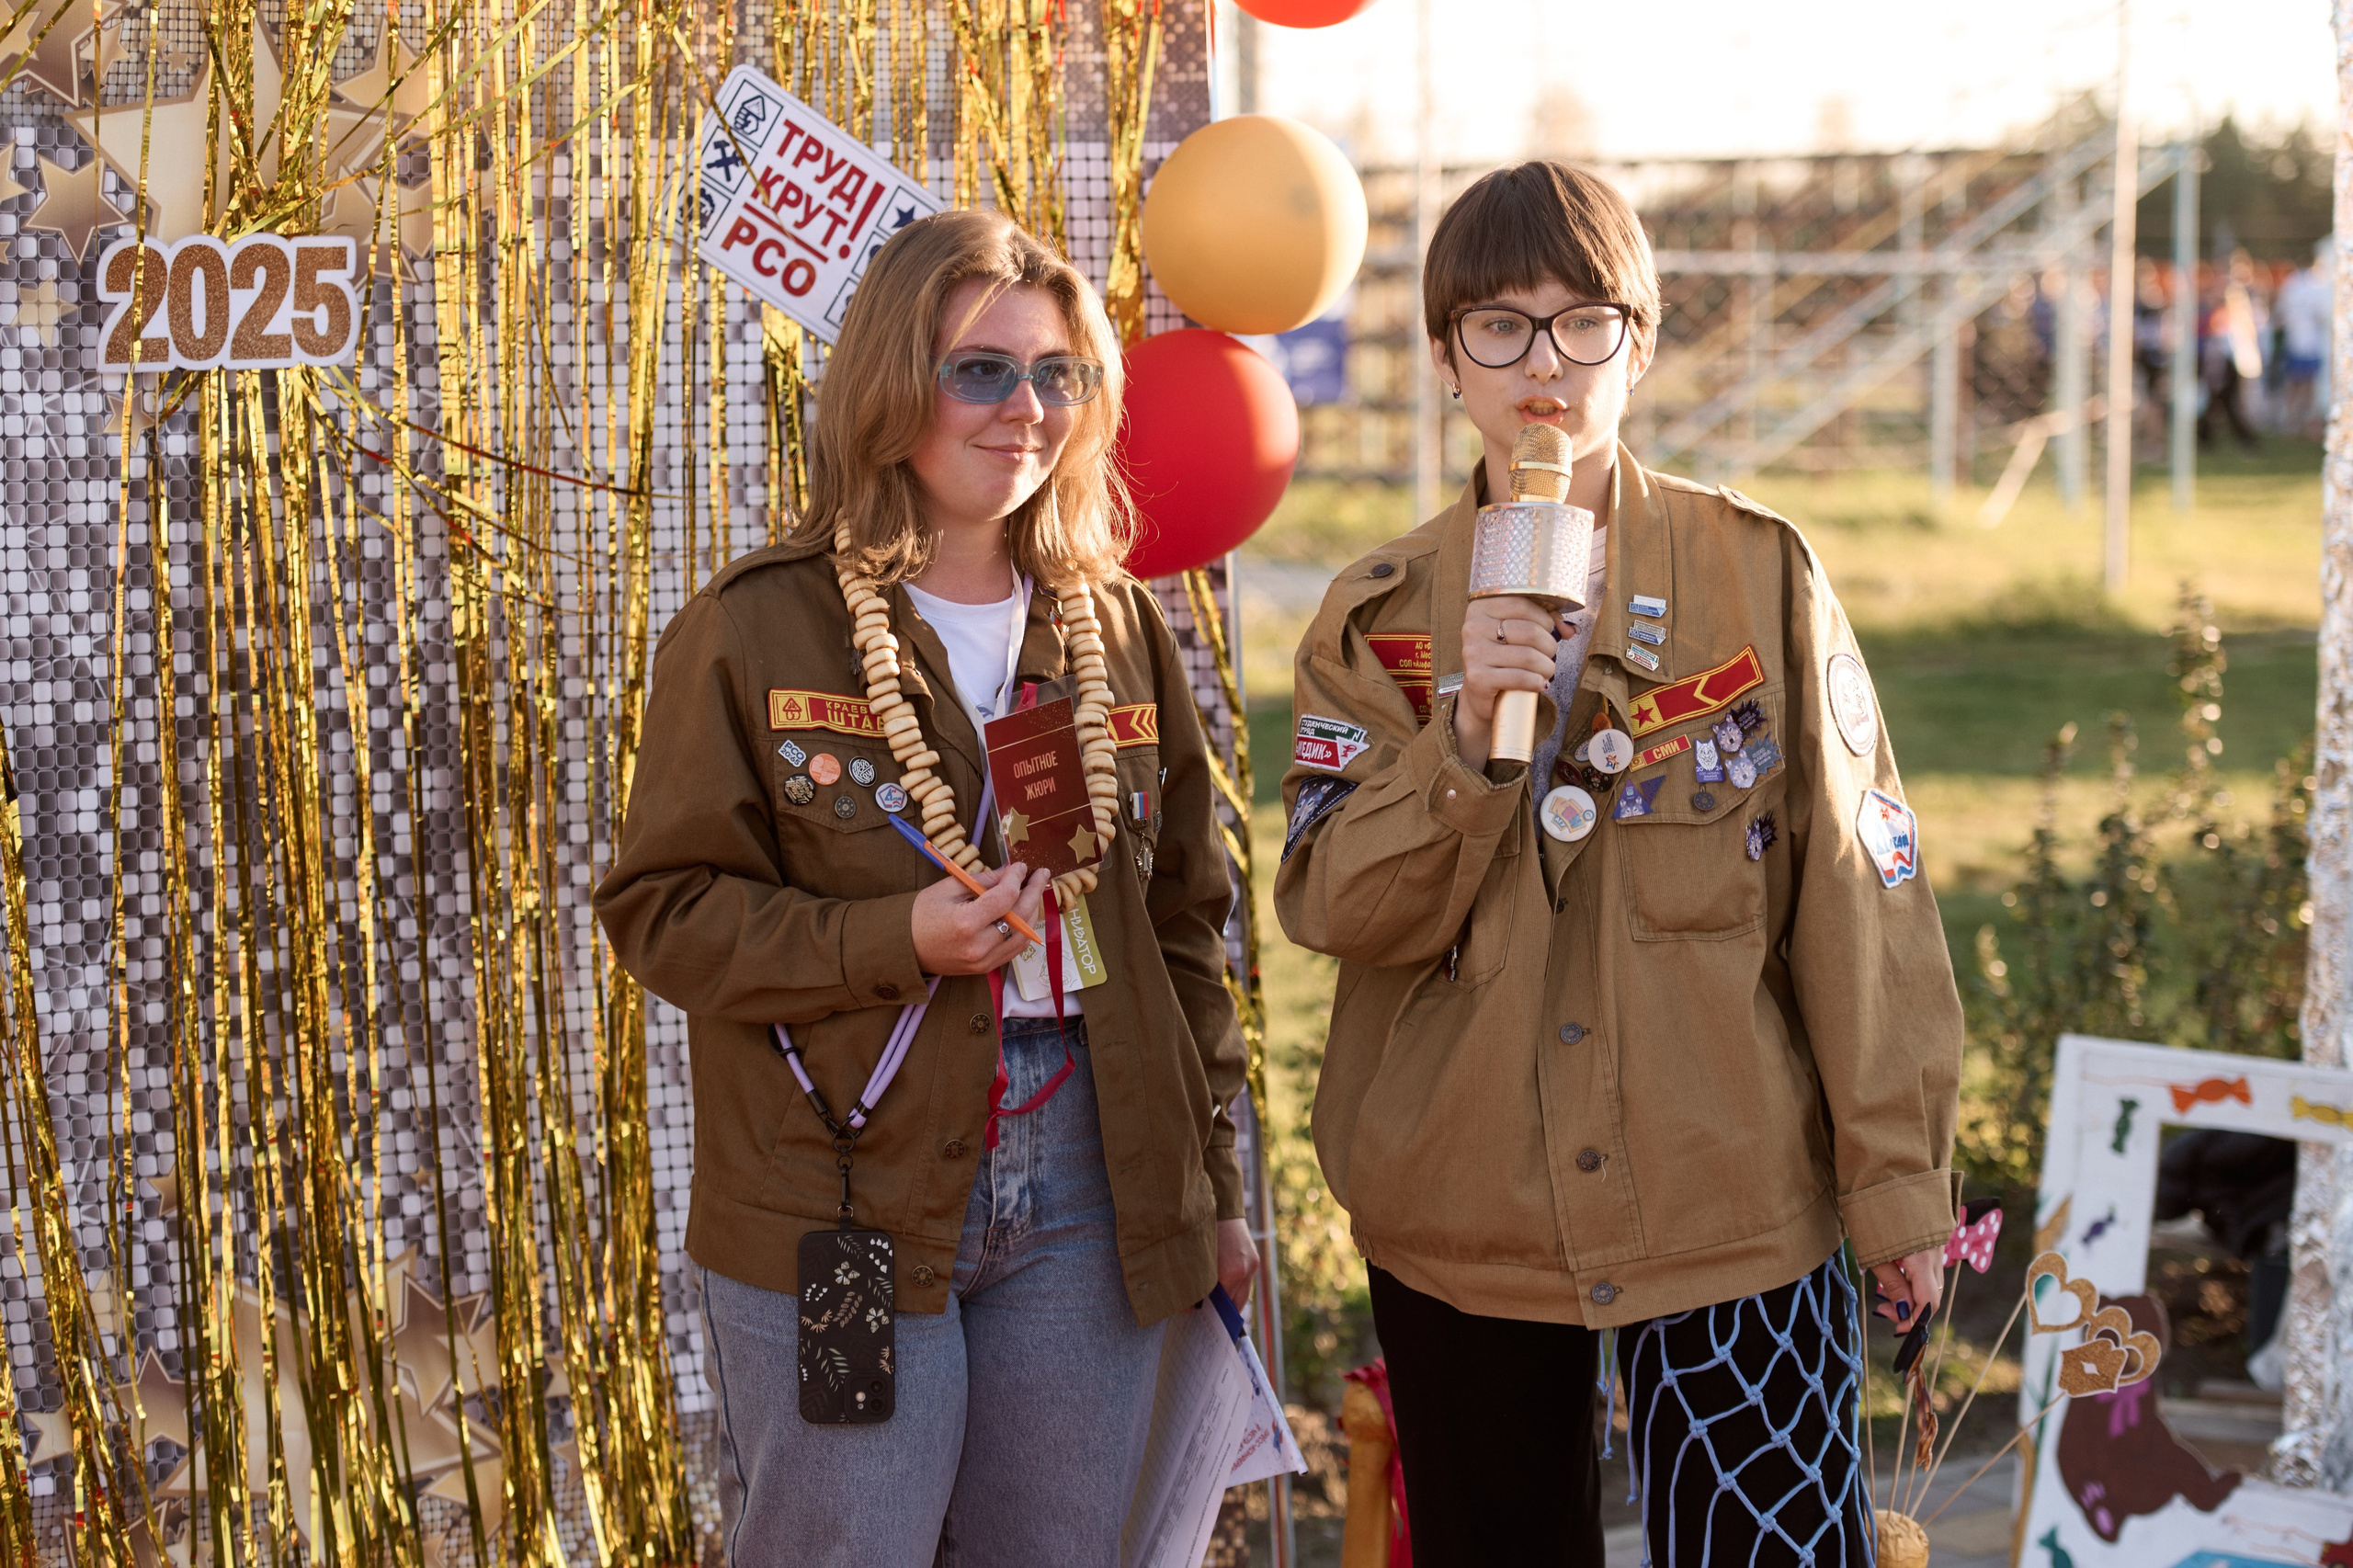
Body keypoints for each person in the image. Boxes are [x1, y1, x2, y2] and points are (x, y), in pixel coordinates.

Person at [1277, 161, 1964, 1566]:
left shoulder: (1757, 571)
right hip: (1462, 1221)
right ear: (1446, 361)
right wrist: (1467, 739)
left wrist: (1896, 1182)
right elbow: (1335, 901)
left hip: (1731, 1209)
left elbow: (1858, 888)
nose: (1545, 363)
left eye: (1584, 321)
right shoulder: (1380, 616)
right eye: (1500, 326)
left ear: (1638, 347)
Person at [595, 208, 1256, 1567]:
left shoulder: (1119, 628)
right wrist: (894, 936)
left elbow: (1187, 927)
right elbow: (663, 909)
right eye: (984, 370)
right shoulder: (756, 624)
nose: (1028, 410)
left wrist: (1219, 1187)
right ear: (896, 383)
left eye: (1059, 375)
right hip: (841, 1192)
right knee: (846, 1543)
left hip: (1093, 1175)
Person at [2274, 240, 2331, 439]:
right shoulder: (2316, 284)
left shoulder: (2292, 283)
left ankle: (2292, 418)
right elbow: (2324, 314)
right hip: (2308, 341)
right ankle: (2301, 419)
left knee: (2296, 383)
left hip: (2297, 340)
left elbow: (2280, 313)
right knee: (2306, 384)